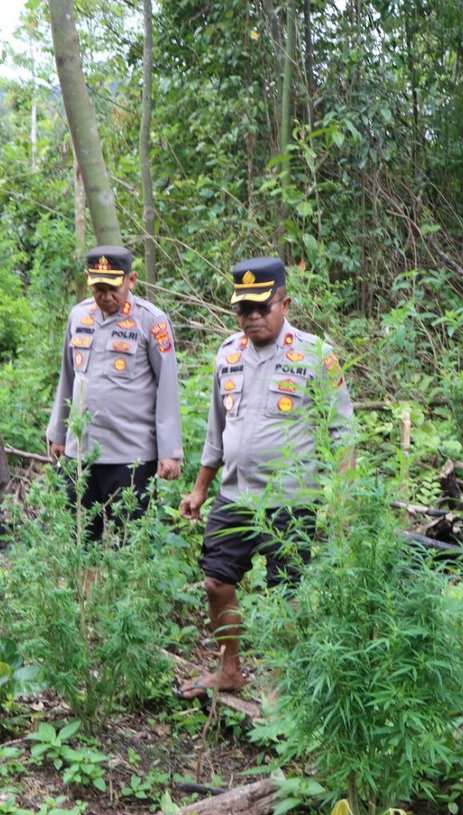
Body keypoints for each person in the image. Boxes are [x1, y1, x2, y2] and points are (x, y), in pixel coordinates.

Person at [177, 256, 355, 699]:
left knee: (287, 596)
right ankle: (230, 670)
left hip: (292, 500)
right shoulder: (228, 354)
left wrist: (343, 499)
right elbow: (216, 432)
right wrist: (200, 487)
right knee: (217, 582)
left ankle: (282, 685)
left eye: (262, 307)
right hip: (235, 496)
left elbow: (343, 433)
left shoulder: (316, 354)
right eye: (243, 309)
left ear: (285, 302)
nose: (252, 317)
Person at [47, 245, 183, 540]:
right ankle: (87, 588)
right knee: (80, 539)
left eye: (113, 288)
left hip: (130, 456)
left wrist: (170, 452)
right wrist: (58, 433)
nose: (106, 296)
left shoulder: (152, 321)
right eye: (98, 288)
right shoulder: (79, 316)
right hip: (80, 452)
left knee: (131, 541)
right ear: (88, 280)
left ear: (131, 280)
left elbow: (168, 386)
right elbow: (68, 377)